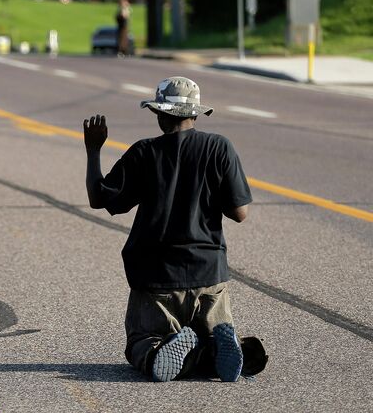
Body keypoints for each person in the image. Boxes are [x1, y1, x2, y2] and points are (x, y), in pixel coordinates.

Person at [83, 76, 262, 382]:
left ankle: (159, 352)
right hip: (208, 276)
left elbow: (99, 198)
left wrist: (94, 150)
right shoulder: (219, 147)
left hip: (156, 279)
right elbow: (240, 213)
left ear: (160, 115)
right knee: (212, 331)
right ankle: (223, 351)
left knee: (142, 343)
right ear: (195, 113)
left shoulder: (144, 152)